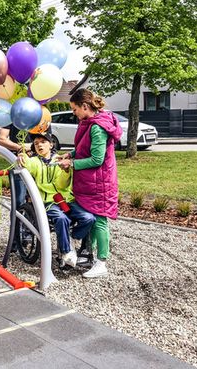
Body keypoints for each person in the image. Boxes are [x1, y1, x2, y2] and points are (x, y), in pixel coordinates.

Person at [58, 88, 123, 278]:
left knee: (100, 221)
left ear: (85, 106)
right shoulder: (89, 123)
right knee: (92, 219)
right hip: (92, 183)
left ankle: (101, 263)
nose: (74, 113)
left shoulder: (97, 127)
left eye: (74, 109)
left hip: (100, 183)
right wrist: (71, 154)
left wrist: (72, 163)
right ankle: (91, 255)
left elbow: (96, 159)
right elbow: (84, 149)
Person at [18, 132, 96, 267]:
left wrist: (66, 171)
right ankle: (66, 252)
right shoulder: (36, 161)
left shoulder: (59, 160)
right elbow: (28, 164)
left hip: (66, 199)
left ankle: (72, 237)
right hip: (48, 202)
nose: (39, 145)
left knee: (89, 218)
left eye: (43, 142)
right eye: (36, 144)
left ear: (51, 144)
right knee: (61, 218)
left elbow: (62, 185)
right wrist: (22, 156)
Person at [0, 123, 29, 250]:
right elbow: (2, 139)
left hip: (38, 164)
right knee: (19, 202)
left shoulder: (41, 113)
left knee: (37, 202)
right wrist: (20, 148)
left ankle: (29, 235)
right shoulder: (12, 114)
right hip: (19, 164)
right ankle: (15, 240)